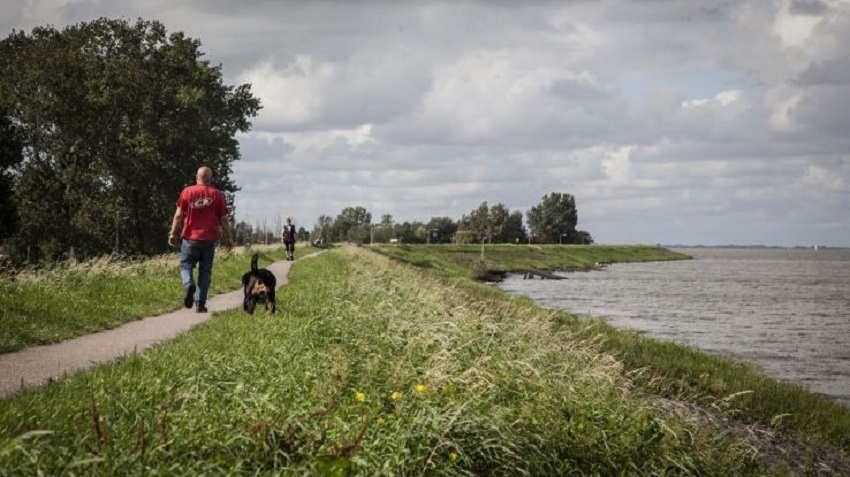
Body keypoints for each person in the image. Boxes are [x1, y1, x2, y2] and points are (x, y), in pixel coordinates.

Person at [168, 166, 234, 313]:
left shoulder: (187, 192)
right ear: (210, 179)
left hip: (190, 239)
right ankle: (200, 304)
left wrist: (173, 233)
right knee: (205, 271)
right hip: (209, 240)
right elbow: (224, 219)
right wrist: (229, 238)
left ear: (197, 177)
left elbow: (178, 215)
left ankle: (188, 284)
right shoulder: (217, 195)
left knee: (186, 266)